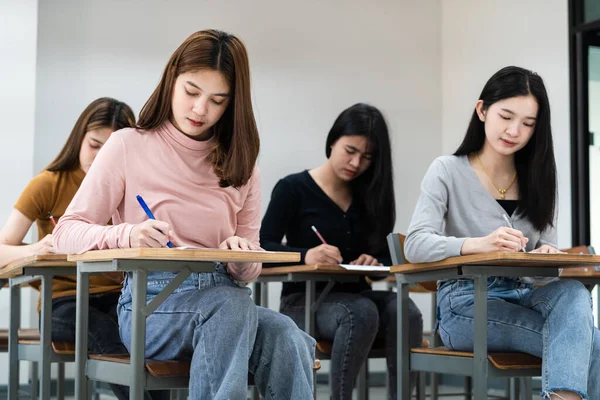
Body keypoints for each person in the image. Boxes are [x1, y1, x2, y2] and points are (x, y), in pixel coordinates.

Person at [54, 29, 315, 400]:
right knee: (230, 307)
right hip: (151, 307)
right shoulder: (128, 144)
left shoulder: (242, 162)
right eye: (191, 92)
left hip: (226, 297)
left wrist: (242, 256)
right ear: (171, 78)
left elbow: (250, 268)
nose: (199, 110)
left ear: (232, 104)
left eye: (217, 100)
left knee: (288, 336)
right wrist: (126, 234)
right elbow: (67, 231)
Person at [405, 66, 600, 400]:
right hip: (465, 305)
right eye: (506, 116)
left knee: (573, 293)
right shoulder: (447, 170)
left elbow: (542, 272)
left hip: (524, 297)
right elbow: (415, 244)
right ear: (482, 110)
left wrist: (545, 256)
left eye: (528, 123)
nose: (514, 131)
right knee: (590, 343)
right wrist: (478, 245)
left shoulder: (539, 181)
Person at [260, 103, 423, 399]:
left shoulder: (369, 197)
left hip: (358, 297)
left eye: (367, 157)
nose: (357, 162)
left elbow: (387, 256)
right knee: (359, 312)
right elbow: (262, 246)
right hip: (304, 301)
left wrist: (375, 259)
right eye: (350, 150)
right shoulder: (292, 188)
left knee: (406, 310)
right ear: (333, 140)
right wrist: (305, 255)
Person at [0, 97, 141, 400]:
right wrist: (38, 248)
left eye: (111, 149)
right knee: (108, 333)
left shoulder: (131, 188)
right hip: (63, 302)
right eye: (94, 145)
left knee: (152, 339)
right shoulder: (49, 183)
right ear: (79, 138)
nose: (101, 156)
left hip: (121, 298)